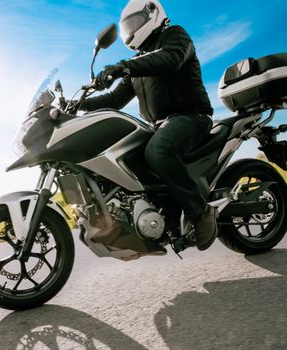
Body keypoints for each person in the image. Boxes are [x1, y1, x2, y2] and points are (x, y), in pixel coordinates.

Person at [78, 0, 217, 250]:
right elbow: (115, 99)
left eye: (134, 23)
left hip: (191, 116)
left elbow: (170, 59)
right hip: (161, 124)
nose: (130, 31)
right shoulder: (139, 59)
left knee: (158, 150)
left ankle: (200, 212)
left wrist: (123, 67)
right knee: (128, 156)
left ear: (152, 13)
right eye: (127, 27)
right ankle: (164, 220)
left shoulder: (174, 36)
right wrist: (79, 104)